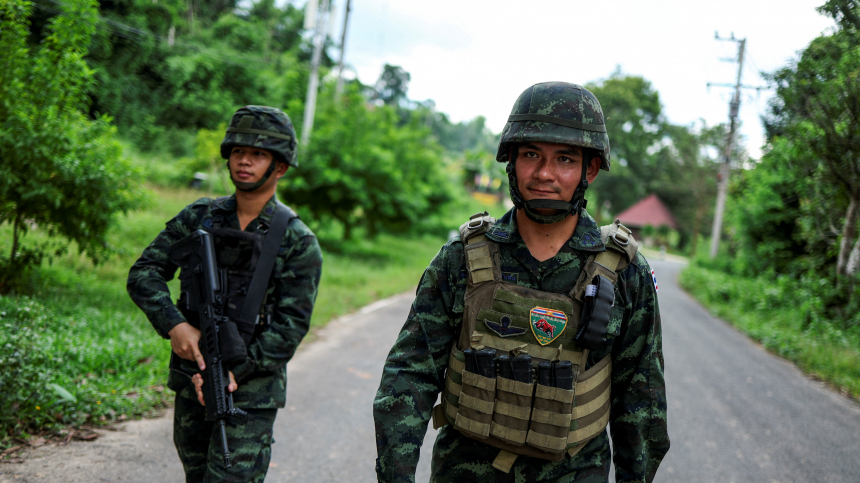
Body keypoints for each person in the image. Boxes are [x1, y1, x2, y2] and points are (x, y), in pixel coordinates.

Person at [373, 82, 669, 483]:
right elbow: (408, 376)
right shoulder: (460, 260)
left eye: (564, 159)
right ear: (511, 160)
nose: (544, 173)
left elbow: (642, 402)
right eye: (531, 155)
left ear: (590, 169)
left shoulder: (626, 273)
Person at [127, 106, 322, 482]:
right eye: (237, 151)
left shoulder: (298, 241)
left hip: (250, 392)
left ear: (280, 167)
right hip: (191, 380)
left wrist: (232, 371)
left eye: (258, 154)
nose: (244, 161)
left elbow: (290, 328)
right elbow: (144, 273)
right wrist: (175, 326)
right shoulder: (198, 216)